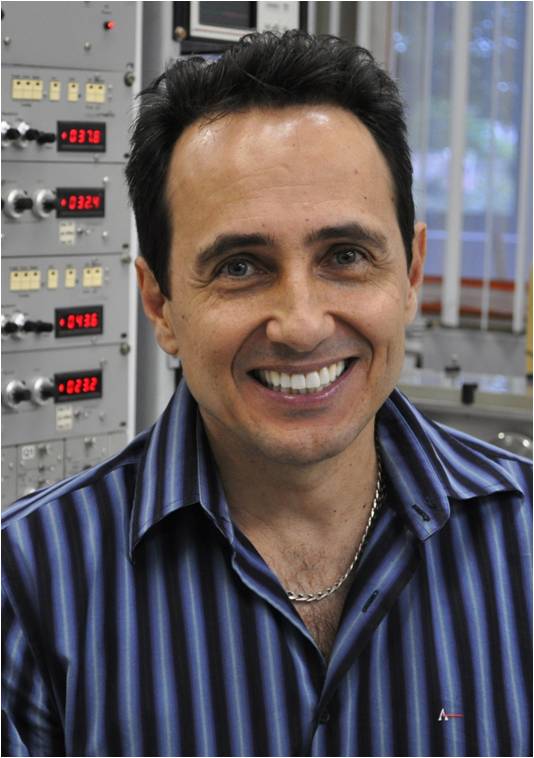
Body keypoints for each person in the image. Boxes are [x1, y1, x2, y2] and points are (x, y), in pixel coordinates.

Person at [2, 31, 531, 758]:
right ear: (159, 306)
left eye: (346, 256)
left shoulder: (522, 542)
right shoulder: (26, 587)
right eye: (241, 267)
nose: (302, 325)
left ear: (410, 274)